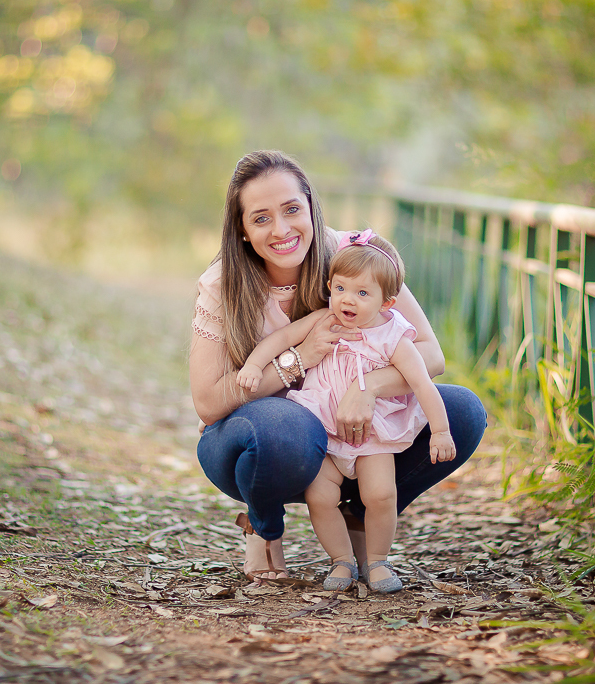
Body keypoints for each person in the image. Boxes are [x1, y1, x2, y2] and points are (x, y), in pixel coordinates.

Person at [190, 149, 486, 583]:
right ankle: (264, 522)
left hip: (353, 434)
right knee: (285, 426)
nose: (282, 229)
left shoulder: (354, 258)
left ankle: (364, 513)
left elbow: (430, 354)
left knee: (460, 411)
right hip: (257, 443)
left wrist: (366, 388)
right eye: (261, 218)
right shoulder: (223, 285)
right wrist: (300, 359)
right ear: (243, 230)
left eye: (292, 209)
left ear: (310, 205)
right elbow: (208, 402)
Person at [235, 230, 455, 592]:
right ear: (329, 287)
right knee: (320, 496)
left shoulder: (393, 336)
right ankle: (341, 560)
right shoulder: (324, 319)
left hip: (370, 434)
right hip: (323, 427)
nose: (347, 300)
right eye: (340, 289)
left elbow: (422, 383)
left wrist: (442, 431)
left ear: (388, 303)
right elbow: (279, 340)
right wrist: (256, 366)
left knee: (380, 494)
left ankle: (378, 561)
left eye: (362, 293)